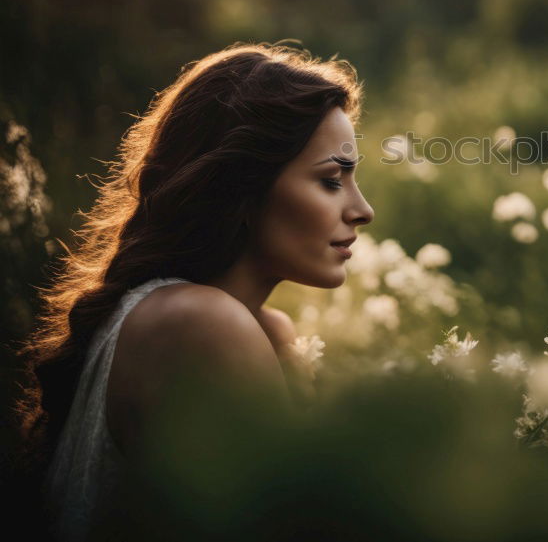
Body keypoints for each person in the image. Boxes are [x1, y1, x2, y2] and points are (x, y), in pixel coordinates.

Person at [12, 42, 375, 541]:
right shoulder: (199, 322)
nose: (362, 209)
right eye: (332, 180)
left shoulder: (251, 327)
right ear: (241, 185)